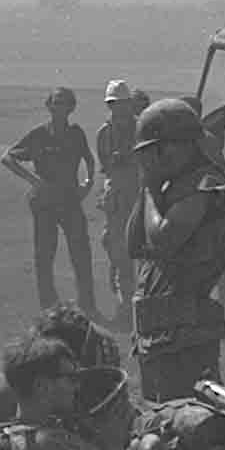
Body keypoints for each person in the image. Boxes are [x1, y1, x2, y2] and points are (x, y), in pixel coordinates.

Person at [127, 98, 225, 401]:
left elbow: (164, 239)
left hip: (186, 329)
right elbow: (134, 243)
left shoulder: (204, 183)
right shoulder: (168, 188)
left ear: (181, 145)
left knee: (187, 417)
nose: (153, 159)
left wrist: (150, 189)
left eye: (157, 150)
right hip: (158, 326)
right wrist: (147, 188)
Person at [1, 88, 97, 317]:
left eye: (64, 103)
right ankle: (48, 305)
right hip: (45, 203)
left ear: (71, 107)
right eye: (56, 103)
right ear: (49, 106)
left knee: (81, 251)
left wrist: (88, 184)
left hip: (71, 200)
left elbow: (89, 159)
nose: (59, 107)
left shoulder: (76, 134)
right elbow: (8, 158)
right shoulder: (39, 135)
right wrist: (34, 181)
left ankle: (87, 304)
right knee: (45, 254)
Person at [94, 80, 141, 320]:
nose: (117, 109)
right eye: (113, 104)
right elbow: (108, 164)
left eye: (121, 103)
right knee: (118, 250)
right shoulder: (105, 132)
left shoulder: (142, 127)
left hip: (140, 193)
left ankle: (137, 302)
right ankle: (125, 304)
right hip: (118, 194)